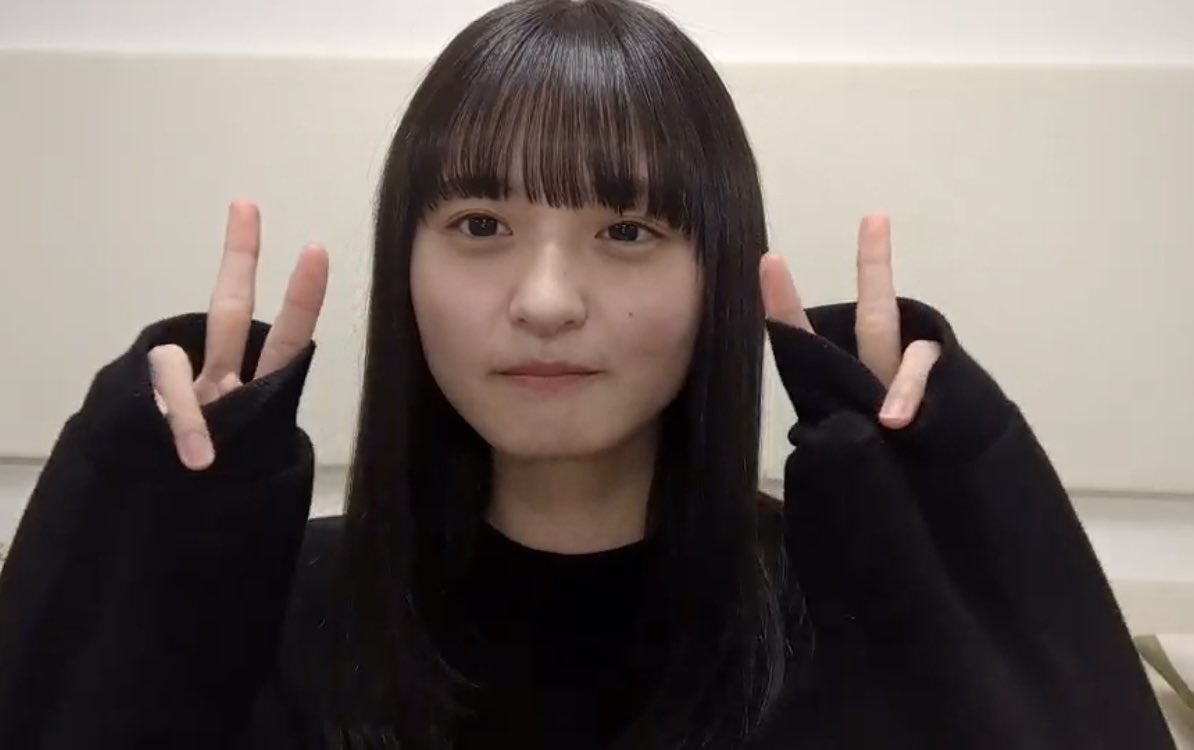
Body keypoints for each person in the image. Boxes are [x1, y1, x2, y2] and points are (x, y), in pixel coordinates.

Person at [0, 0, 1176, 748]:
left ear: (716, 273)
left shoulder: (845, 618)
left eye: (626, 230)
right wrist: (143, 540)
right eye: (479, 226)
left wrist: (955, 517)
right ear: (401, 266)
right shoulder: (263, 607)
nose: (547, 300)